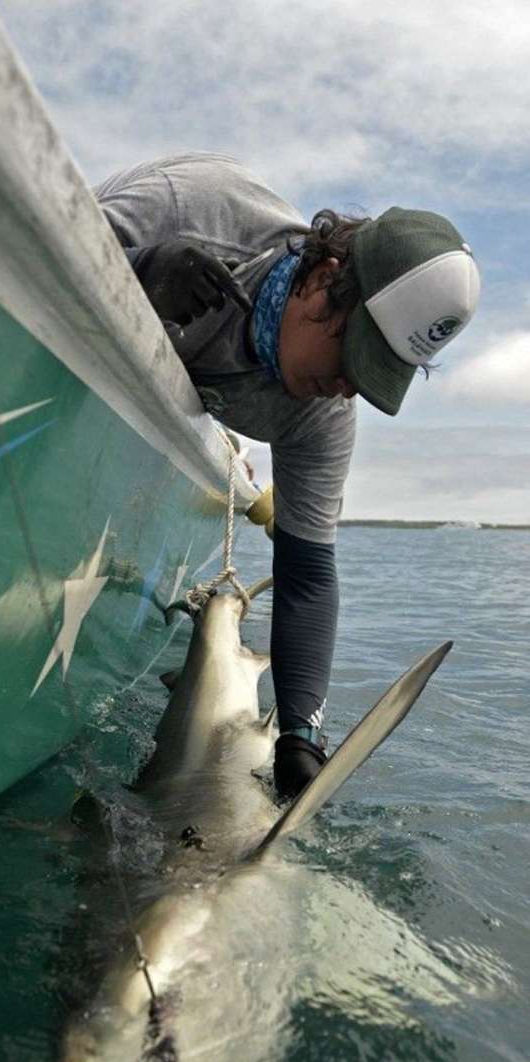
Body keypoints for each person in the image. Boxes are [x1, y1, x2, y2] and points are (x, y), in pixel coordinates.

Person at [95, 153, 480, 799]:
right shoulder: (192, 204)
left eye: (375, 377)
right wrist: (127, 271)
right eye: (355, 355)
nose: (348, 387)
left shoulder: (323, 414)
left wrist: (301, 734)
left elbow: (305, 574)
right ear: (323, 277)